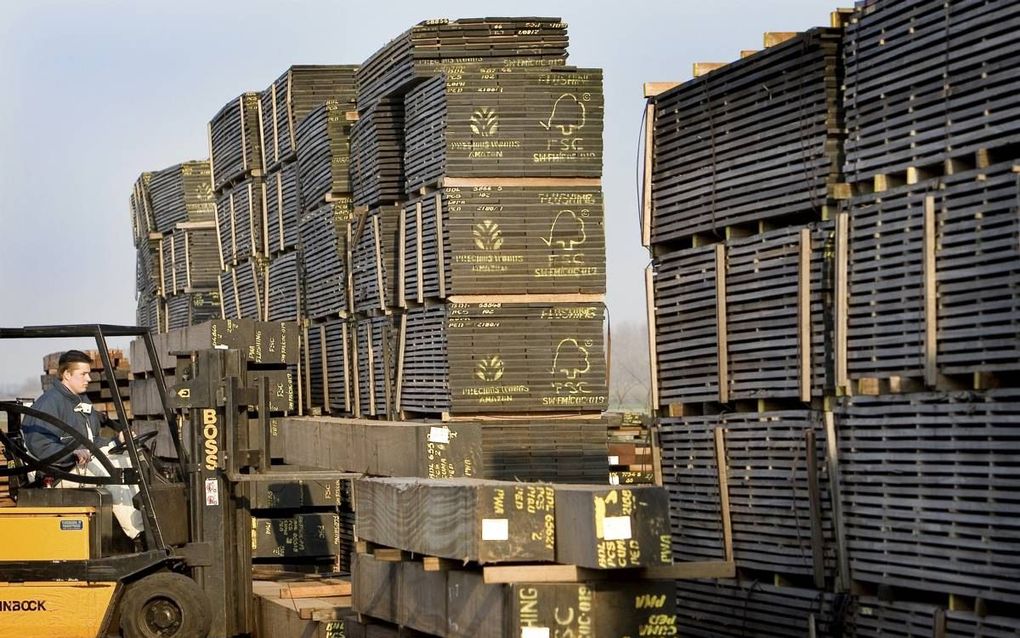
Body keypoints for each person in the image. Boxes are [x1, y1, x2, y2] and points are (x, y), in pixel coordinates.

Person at [21, 349, 145, 544]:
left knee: (132, 459)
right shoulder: (50, 402)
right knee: (111, 472)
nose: (89, 378)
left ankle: (148, 519)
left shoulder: (81, 400)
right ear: (67, 375)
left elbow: (90, 440)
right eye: (83, 374)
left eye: (89, 373)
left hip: (79, 463)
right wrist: (70, 453)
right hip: (59, 470)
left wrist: (116, 442)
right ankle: (139, 533)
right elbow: (38, 443)